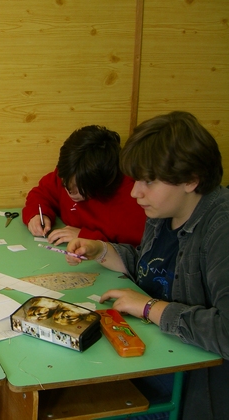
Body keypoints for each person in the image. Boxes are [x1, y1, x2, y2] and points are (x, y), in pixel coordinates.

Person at [65, 112, 229, 420]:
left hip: (194, 382)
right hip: (152, 353)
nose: (135, 192)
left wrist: (149, 307)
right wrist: (101, 250)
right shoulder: (164, 212)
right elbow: (152, 269)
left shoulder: (221, 227)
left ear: (191, 179)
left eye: (148, 182)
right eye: (136, 180)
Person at [22, 125, 147, 247]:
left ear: (101, 183)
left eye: (79, 189)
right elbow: (42, 193)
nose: (70, 192)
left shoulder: (132, 200)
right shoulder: (70, 170)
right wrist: (36, 215)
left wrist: (87, 237)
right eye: (65, 183)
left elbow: (134, 253)